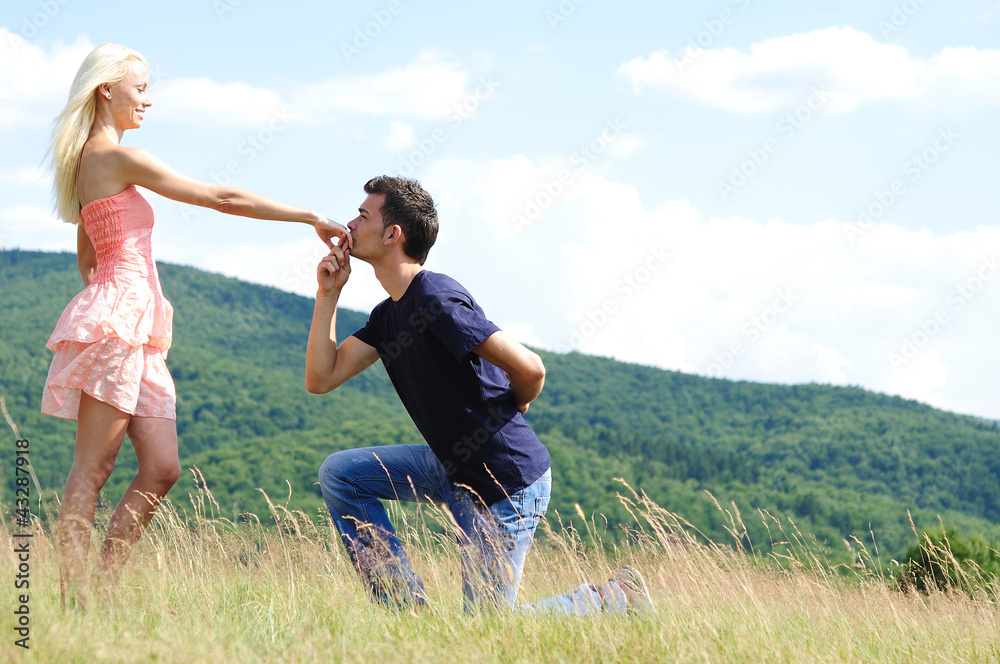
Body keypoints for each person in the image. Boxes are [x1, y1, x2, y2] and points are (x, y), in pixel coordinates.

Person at [41, 43, 351, 606]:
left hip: (135, 324)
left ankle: (101, 591)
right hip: (120, 323)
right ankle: (75, 602)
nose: (148, 99)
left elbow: (88, 257)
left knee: (162, 468)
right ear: (106, 89)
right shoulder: (112, 157)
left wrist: (117, 289)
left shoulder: (93, 164)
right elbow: (220, 197)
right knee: (94, 468)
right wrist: (307, 214)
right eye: (140, 87)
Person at [306, 175, 652, 614]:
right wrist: (327, 294)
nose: (351, 223)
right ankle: (404, 610)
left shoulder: (435, 296)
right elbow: (321, 377)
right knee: (341, 474)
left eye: (363, 214)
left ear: (393, 234)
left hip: (503, 484)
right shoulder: (388, 316)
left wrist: (516, 402)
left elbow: (531, 368)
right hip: (451, 470)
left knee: (483, 634)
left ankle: (615, 599)